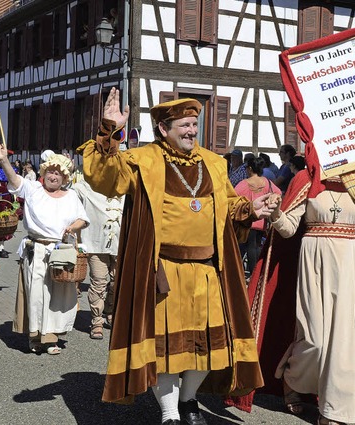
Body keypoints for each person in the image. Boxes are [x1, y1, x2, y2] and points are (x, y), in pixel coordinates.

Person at [78, 88, 273, 425]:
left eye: (194, 124)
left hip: (206, 271)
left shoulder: (214, 163)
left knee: (203, 346)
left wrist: (249, 207)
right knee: (165, 350)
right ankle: (168, 412)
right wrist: (109, 129)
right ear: (164, 129)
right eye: (184, 125)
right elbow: (104, 177)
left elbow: (227, 206)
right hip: (162, 271)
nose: (191, 131)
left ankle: (188, 400)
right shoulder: (144, 160)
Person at [268, 176, 355, 424]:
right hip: (313, 259)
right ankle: (292, 377)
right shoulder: (307, 179)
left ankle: (334, 411)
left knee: (343, 341)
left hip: (347, 262)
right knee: (313, 338)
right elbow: (287, 228)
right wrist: (275, 213)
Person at [0, 139, 90, 355]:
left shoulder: (71, 196)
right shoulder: (33, 188)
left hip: (61, 253)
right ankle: (35, 337)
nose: (53, 176)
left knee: (58, 296)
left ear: (64, 178)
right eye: (50, 172)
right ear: (44, 173)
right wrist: (4, 160)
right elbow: (14, 181)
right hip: (36, 250)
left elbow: (83, 218)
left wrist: (72, 227)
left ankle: (52, 337)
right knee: (36, 295)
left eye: (58, 173)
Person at [72, 171, 123, 339]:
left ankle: (110, 309)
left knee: (118, 281)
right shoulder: (85, 187)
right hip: (96, 243)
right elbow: (66, 193)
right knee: (99, 282)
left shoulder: (124, 185)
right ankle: (97, 321)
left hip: (120, 243)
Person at [234, 156, 281, 278]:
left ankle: (241, 273)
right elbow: (278, 193)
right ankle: (256, 274)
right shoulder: (267, 182)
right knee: (255, 247)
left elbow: (234, 197)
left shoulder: (244, 183)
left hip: (247, 220)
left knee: (243, 248)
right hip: (262, 221)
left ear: (249, 169)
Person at [0, 155, 24, 258]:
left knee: (4, 224)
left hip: (7, 200)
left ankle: (1, 248)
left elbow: (16, 185)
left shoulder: (11, 170)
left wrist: (18, 200)